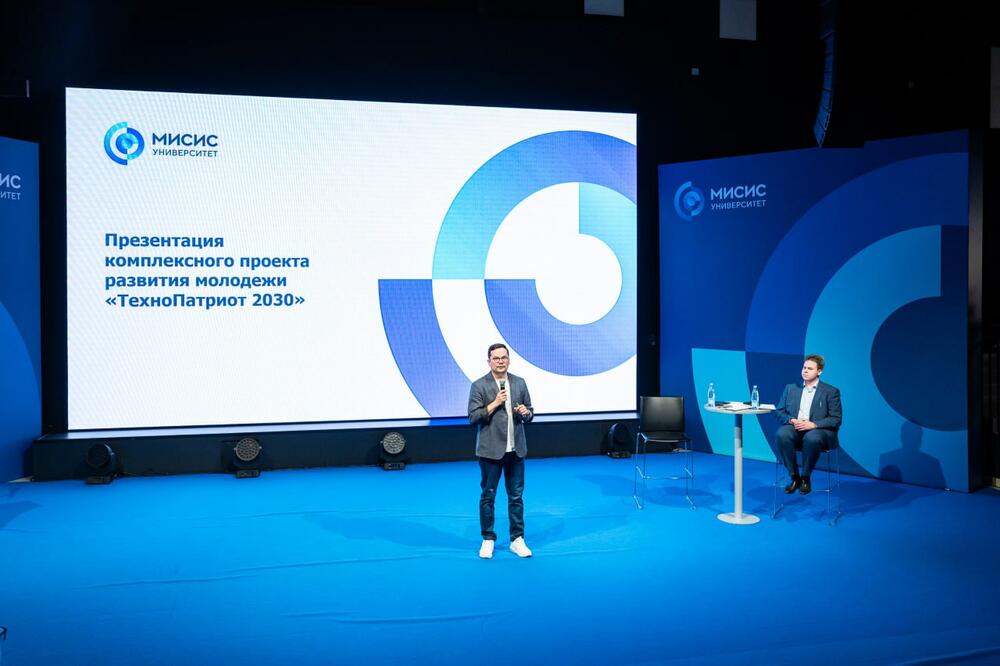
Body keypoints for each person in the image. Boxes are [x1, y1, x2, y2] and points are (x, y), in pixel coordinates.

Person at [468, 343, 534, 559]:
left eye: (504, 357)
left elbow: (530, 413)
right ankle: (488, 539)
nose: (500, 361)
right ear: (489, 361)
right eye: (496, 358)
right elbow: (473, 417)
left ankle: (517, 539)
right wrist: (495, 403)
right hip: (490, 451)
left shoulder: (519, 382)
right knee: (488, 496)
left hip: (516, 450)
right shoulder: (479, 385)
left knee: (516, 497)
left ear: (509, 360)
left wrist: (526, 412)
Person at [774, 354, 842, 495]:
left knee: (812, 437)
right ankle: (794, 477)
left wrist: (814, 424)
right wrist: (791, 420)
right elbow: (779, 411)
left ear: (819, 371)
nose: (805, 371)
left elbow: (835, 419)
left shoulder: (831, 391)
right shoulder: (791, 388)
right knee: (782, 434)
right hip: (796, 427)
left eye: (810, 368)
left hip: (819, 431)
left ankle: (806, 477)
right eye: (804, 367)